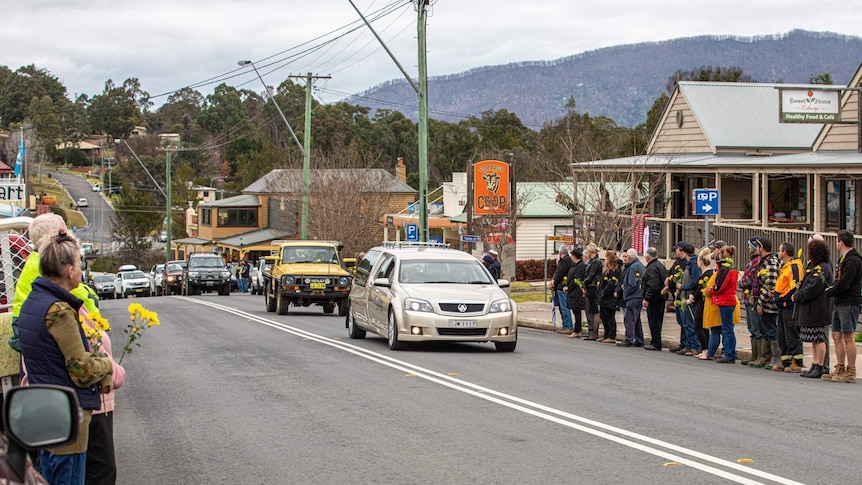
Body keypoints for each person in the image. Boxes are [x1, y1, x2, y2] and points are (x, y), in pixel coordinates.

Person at [18, 231, 113, 485]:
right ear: (69, 270)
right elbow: (79, 368)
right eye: (80, 262)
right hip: (67, 418)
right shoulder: (58, 311)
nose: (82, 267)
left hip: (43, 411)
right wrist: (106, 366)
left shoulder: (32, 303)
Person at [69, 284, 126, 485]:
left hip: (74, 403)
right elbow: (84, 360)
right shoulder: (68, 310)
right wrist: (114, 371)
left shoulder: (38, 304)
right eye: (77, 263)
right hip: (91, 404)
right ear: (67, 270)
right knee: (100, 472)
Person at [9, 213, 68, 352]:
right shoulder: (52, 263)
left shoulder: (34, 261)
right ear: (58, 236)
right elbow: (77, 296)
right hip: (36, 326)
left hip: (24, 324)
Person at [822, 229, 861, 383]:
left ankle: (851, 371)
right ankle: (840, 367)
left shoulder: (853, 260)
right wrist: (831, 289)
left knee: (848, 336)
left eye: (837, 241)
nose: (836, 244)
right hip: (839, 302)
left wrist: (830, 291)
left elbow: (845, 282)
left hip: (849, 302)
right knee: (836, 335)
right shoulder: (842, 260)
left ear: (841, 242)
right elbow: (837, 280)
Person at [795, 238, 833, 378]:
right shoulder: (812, 265)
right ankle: (814, 363)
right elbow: (806, 282)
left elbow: (813, 287)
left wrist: (799, 296)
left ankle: (821, 366)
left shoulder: (823, 267)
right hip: (809, 308)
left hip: (818, 308)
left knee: (819, 338)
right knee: (813, 338)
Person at [773, 242, 804, 372]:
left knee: (792, 334)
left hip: (789, 306)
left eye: (780, 250)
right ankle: (785, 361)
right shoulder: (785, 266)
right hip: (782, 306)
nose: (778, 252)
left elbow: (795, 286)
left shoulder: (794, 266)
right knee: (782, 335)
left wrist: (782, 297)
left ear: (785, 252)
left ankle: (796, 362)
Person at [750, 237, 781, 369]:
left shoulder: (771, 262)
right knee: (764, 329)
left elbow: (770, 284)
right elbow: (758, 280)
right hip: (760, 299)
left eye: (757, 246)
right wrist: (753, 295)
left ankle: (775, 357)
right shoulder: (763, 261)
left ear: (762, 248)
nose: (756, 249)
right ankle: (764, 356)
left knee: (771, 329)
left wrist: (761, 302)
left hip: (769, 303)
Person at [710, 245, 740, 363]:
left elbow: (720, 287)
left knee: (727, 330)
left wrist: (712, 290)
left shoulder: (725, 269)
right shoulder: (732, 267)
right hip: (729, 300)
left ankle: (729, 354)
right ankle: (729, 353)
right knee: (728, 329)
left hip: (725, 301)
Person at [738, 237, 764, 366]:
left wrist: (741, 283)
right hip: (747, 299)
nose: (748, 248)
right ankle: (754, 356)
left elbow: (749, 279)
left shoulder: (757, 262)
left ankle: (759, 356)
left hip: (753, 298)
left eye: (750, 246)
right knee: (751, 327)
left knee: (756, 328)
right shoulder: (751, 260)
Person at [615, 248, 645, 347]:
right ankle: (639, 339)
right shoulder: (640, 265)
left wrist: (626, 292)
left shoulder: (632, 267)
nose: (625, 258)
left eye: (626, 256)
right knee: (636, 319)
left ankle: (629, 339)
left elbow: (632, 283)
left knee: (630, 319)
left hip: (632, 296)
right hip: (639, 296)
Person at [676, 243, 702, 355]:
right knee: (685, 323)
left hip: (689, 297)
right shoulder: (688, 264)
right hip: (683, 296)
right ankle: (688, 345)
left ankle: (695, 346)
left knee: (691, 324)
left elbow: (694, 281)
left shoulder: (694, 265)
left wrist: (683, 286)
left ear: (685, 253)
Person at [664, 242, 689, 353]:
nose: (675, 252)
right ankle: (682, 343)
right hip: (675, 293)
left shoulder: (685, 263)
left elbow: (682, 276)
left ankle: (686, 344)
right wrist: (668, 279)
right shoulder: (677, 261)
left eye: (677, 249)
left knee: (685, 321)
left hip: (681, 294)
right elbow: (671, 272)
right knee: (680, 320)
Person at [641, 247, 667, 351]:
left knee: (654, 321)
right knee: (657, 320)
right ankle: (656, 341)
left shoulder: (652, 268)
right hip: (660, 297)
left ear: (647, 256)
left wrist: (647, 298)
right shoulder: (660, 265)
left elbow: (653, 285)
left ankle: (656, 342)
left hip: (655, 299)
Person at [691, 249, 715, 359]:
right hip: (699, 302)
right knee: (702, 326)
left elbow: (701, 288)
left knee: (698, 326)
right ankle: (705, 349)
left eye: (698, 260)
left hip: (702, 303)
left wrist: (693, 298)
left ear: (701, 261)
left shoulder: (708, 274)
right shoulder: (704, 274)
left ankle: (706, 349)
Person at [598, 251, 621, 343]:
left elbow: (612, 283)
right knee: (603, 316)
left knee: (610, 316)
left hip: (609, 297)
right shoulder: (607, 270)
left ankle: (612, 335)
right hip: (603, 297)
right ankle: (606, 334)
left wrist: (604, 292)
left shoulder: (614, 270)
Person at [582, 244, 603, 340]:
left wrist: (583, 283)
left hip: (593, 286)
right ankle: (592, 332)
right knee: (591, 309)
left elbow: (591, 275)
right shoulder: (592, 261)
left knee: (594, 310)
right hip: (590, 286)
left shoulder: (596, 262)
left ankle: (595, 332)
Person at [565, 247, 586, 338]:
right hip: (571, 291)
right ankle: (576, 329)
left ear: (574, 256)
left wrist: (569, 287)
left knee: (577, 311)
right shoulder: (573, 265)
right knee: (574, 310)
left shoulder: (581, 266)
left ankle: (577, 330)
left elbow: (576, 279)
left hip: (576, 291)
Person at [552, 246, 574, 334]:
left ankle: (568, 326)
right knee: (562, 307)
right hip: (560, 286)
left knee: (564, 307)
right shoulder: (566, 260)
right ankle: (565, 325)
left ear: (561, 253)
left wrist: (554, 281)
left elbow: (559, 272)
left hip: (562, 286)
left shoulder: (565, 261)